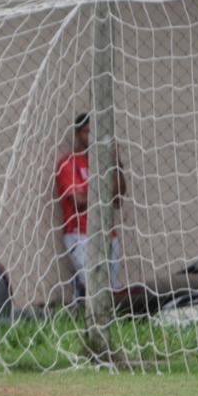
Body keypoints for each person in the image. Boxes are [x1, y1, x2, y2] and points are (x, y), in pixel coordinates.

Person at [55, 112, 126, 302]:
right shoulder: (68, 163)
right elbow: (79, 202)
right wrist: (105, 191)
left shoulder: (104, 164)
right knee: (93, 288)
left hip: (108, 233)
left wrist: (115, 163)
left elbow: (118, 198)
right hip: (80, 233)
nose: (93, 137)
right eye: (88, 132)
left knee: (111, 290)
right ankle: (83, 305)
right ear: (78, 134)